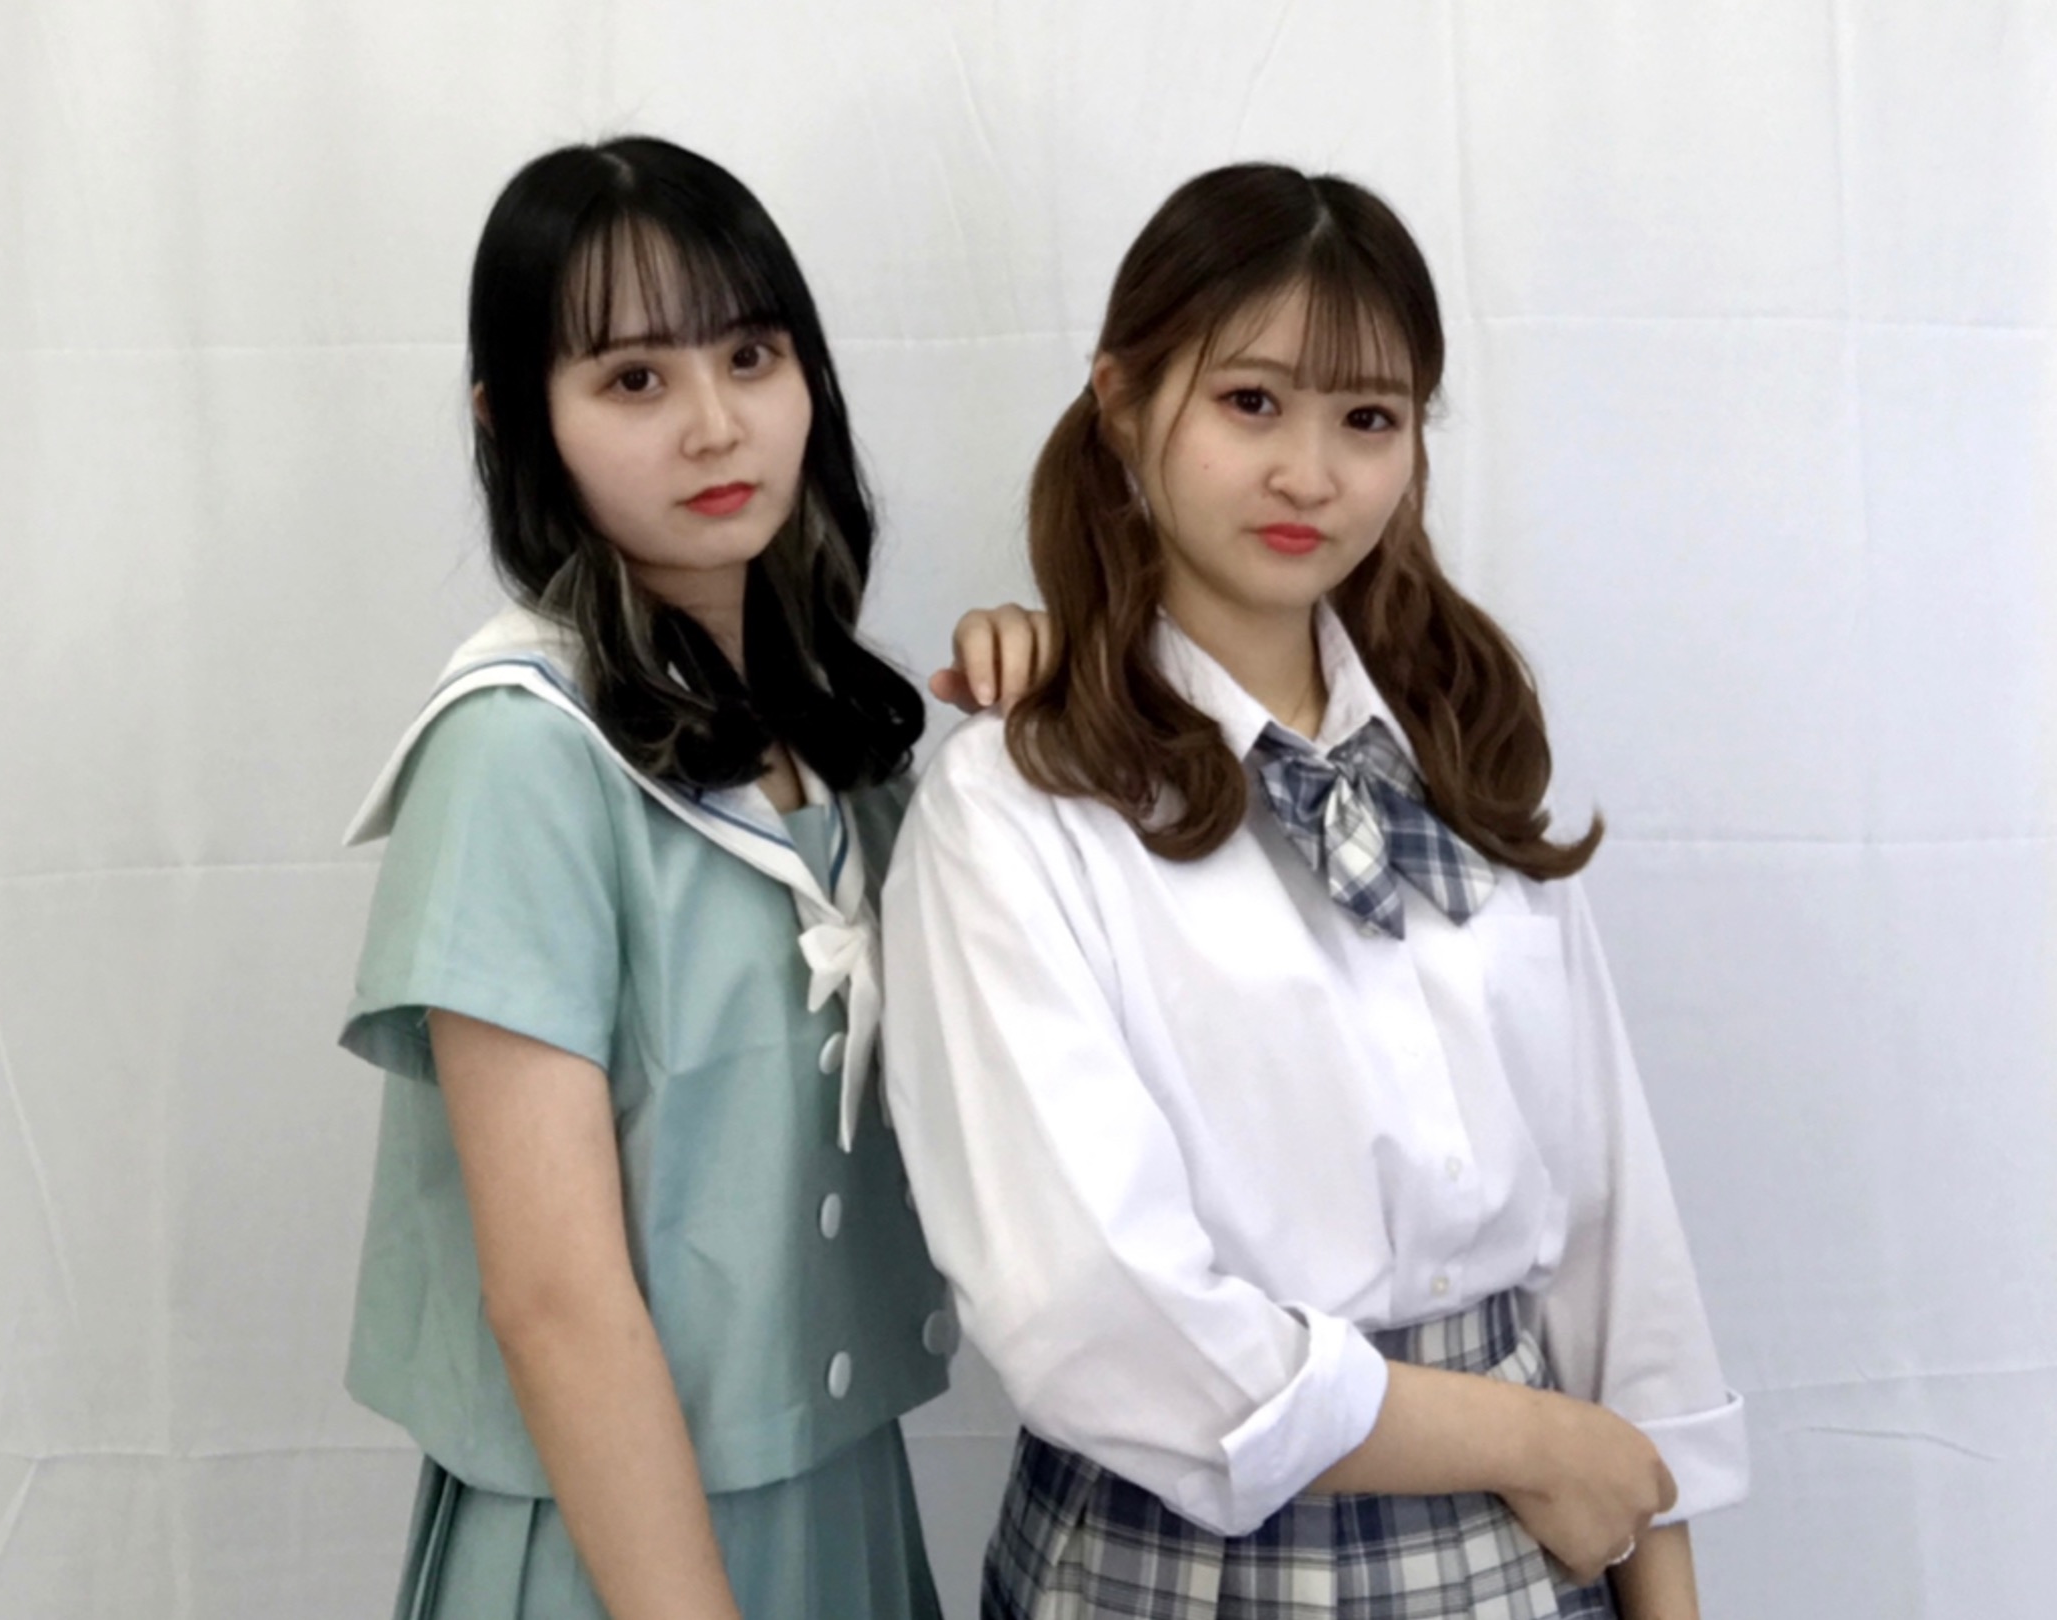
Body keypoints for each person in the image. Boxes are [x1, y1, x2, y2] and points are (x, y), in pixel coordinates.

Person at [880, 163, 1749, 1620]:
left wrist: (1648, 1556)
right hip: (1184, 1557)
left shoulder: (1462, 761)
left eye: (1369, 419)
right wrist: (1534, 1439)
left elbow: (1613, 1228)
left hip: (1527, 1545)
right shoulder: (1017, 807)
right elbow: (1093, 1317)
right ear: (1121, 402)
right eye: (1252, 402)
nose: (1310, 474)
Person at [336, 135, 1049, 1620]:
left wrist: (1054, 714)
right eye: (634, 380)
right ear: (516, 419)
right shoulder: (518, 753)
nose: (716, 426)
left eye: (750, 356)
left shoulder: (844, 740)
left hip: (847, 1508)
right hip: (624, 1552)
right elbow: (552, 1302)